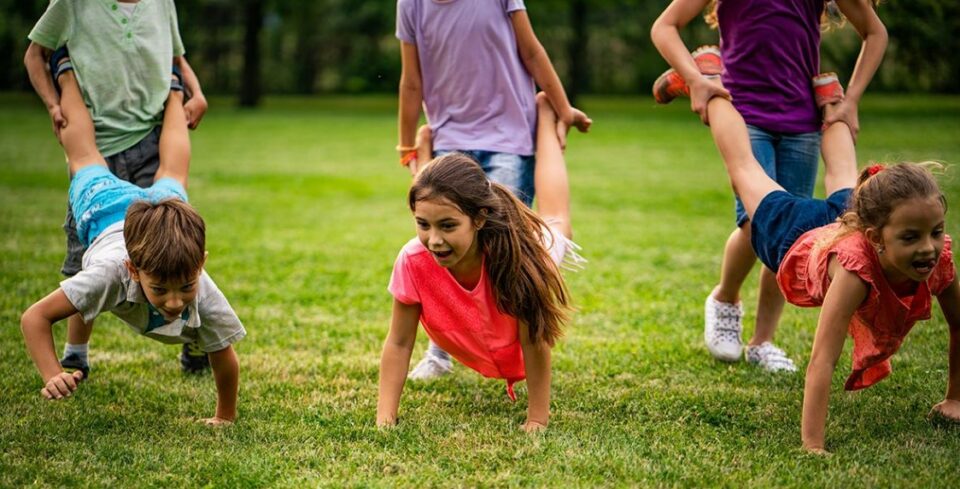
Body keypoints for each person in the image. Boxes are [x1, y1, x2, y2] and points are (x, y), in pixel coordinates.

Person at [702, 82, 959, 453]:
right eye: (911, 237)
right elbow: (823, 358)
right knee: (744, 168)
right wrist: (813, 444)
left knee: (843, 172)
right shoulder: (856, 271)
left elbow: (959, 323)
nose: (928, 248)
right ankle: (713, 91)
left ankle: (830, 98)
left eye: (936, 232)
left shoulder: (931, 255)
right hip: (795, 235)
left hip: (842, 221)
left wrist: (955, 399)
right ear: (876, 237)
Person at [650, 0, 887, 371]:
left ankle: (762, 341)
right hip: (742, 113)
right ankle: (725, 299)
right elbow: (664, 26)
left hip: (802, 123)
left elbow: (875, 33)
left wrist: (852, 100)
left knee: (790, 236)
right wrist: (698, 83)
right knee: (754, 222)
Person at [19, 62, 243, 426]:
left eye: (185, 286)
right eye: (161, 289)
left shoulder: (203, 287)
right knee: (83, 155)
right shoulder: (110, 274)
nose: (175, 301)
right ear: (133, 270)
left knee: (173, 173)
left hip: (158, 212)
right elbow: (34, 318)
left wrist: (225, 418)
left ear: (200, 263)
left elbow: (224, 356)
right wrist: (51, 373)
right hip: (104, 209)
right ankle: (66, 72)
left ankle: (173, 89)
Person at [395, 0, 591, 380]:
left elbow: (531, 49)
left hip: (509, 138)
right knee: (444, 238)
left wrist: (562, 108)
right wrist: (408, 147)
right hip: (450, 136)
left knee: (499, 243)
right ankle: (440, 351)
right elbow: (411, 79)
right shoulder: (412, 4)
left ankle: (517, 338)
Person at [24, 0, 211, 375]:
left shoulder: (162, 4)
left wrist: (196, 91)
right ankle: (76, 352)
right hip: (99, 136)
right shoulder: (72, 5)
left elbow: (176, 56)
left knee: (173, 254)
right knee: (85, 260)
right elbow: (33, 55)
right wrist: (51, 104)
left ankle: (196, 341)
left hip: (148, 136)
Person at [378, 94, 583, 432]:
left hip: (532, 250)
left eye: (448, 226)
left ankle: (545, 115)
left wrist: (537, 418)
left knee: (557, 217)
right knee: (434, 198)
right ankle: (426, 158)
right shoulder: (414, 259)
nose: (434, 240)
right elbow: (399, 343)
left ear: (479, 219)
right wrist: (385, 418)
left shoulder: (521, 261)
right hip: (449, 201)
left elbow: (534, 343)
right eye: (421, 224)